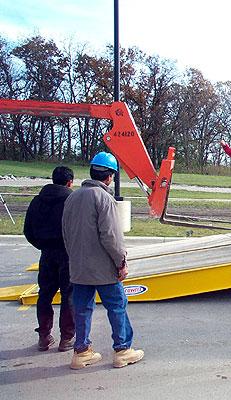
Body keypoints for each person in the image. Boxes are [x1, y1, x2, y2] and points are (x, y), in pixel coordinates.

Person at [62, 152, 144, 370]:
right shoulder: (104, 198)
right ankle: (123, 349)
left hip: (79, 268)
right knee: (117, 306)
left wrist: (75, 259)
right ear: (110, 177)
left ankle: (81, 352)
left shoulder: (73, 197)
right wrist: (121, 263)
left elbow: (66, 233)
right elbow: (111, 237)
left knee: (82, 309)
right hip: (104, 269)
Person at [24, 166, 75, 352]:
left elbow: (28, 230)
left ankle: (44, 336)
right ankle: (67, 338)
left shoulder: (37, 201)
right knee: (68, 295)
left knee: (45, 295)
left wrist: (42, 246)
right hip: (67, 253)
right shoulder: (71, 200)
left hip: (46, 253)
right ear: (70, 182)